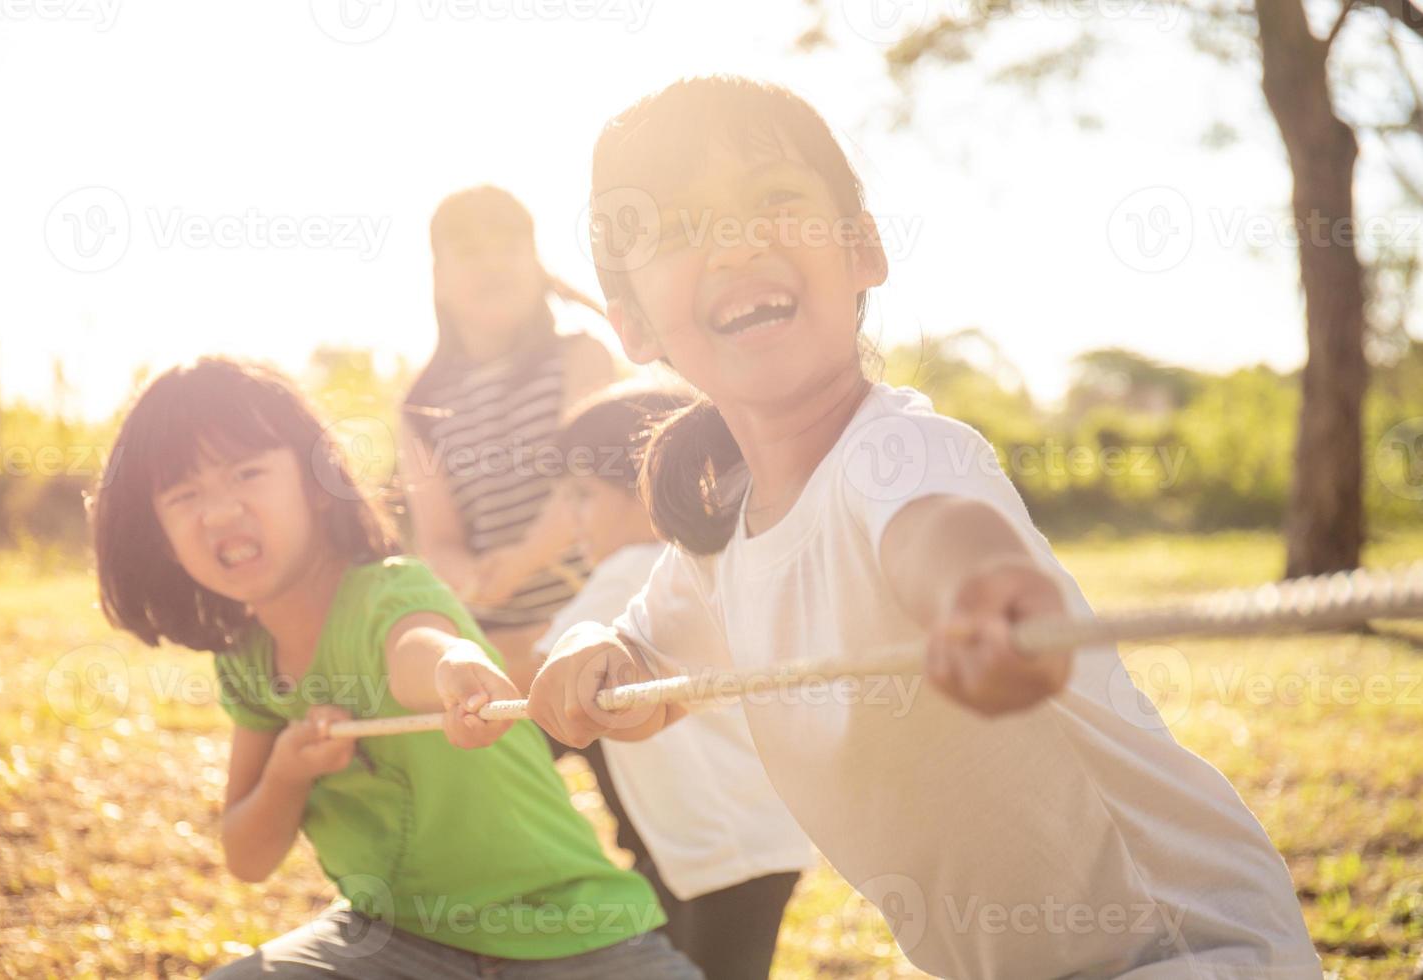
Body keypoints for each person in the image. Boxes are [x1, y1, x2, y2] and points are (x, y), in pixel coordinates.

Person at [523, 76, 1324, 979]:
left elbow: (936, 533)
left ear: (863, 247)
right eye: (677, 229)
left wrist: (982, 597)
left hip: (1180, 949)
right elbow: (645, 670)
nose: (737, 241)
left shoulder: (899, 453)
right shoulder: (717, 546)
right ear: (631, 322)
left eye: (775, 199)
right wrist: (591, 659)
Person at [91, 357, 700, 979]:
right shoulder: (246, 663)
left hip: (572, 934)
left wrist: (457, 666)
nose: (218, 512)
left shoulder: (389, 593)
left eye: (246, 473)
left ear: (316, 485)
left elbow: (418, 648)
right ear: (158, 533)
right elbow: (246, 857)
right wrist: (285, 775)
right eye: (184, 495)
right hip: (393, 942)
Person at [537, 383, 815, 980]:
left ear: (650, 487)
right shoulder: (698, 574)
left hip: (720, 846)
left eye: (583, 496)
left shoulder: (629, 572)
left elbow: (540, 689)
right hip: (731, 842)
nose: (570, 521)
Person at [400, 185, 615, 685]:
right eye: (470, 251)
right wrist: (476, 582)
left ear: (537, 265)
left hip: (601, 624)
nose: (492, 263)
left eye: (508, 247)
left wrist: (522, 562)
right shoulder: (419, 406)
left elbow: (588, 484)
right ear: (439, 279)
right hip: (497, 648)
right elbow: (438, 539)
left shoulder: (580, 358)